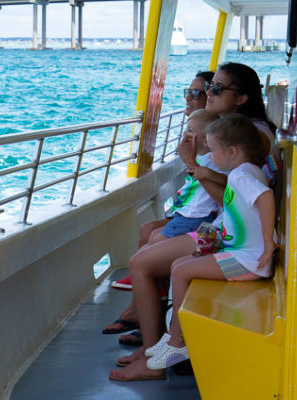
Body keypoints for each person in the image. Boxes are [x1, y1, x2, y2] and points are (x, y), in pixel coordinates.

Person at [108, 61, 276, 381]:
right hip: (227, 227)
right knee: (148, 250)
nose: (209, 93)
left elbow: (234, 194)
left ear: (242, 97)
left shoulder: (249, 137)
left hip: (230, 233)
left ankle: (159, 352)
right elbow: (231, 193)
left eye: (216, 88)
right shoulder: (233, 132)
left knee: (141, 263)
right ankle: (155, 344)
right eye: (208, 89)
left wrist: (194, 165)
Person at [145, 114, 276, 370]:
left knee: (181, 270)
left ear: (232, 151)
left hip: (249, 262)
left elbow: (265, 197)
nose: (211, 157)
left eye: (213, 150)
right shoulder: (244, 171)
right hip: (242, 255)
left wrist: (268, 241)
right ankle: (173, 336)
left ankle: (178, 341)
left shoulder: (242, 176)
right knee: (182, 263)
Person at [103, 70, 213, 333]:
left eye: (196, 93)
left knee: (151, 245)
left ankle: (149, 326)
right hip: (197, 216)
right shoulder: (206, 143)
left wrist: (190, 162)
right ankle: (143, 310)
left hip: (207, 223)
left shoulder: (216, 144)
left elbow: (224, 192)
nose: (189, 98)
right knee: (147, 231)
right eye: (188, 92)